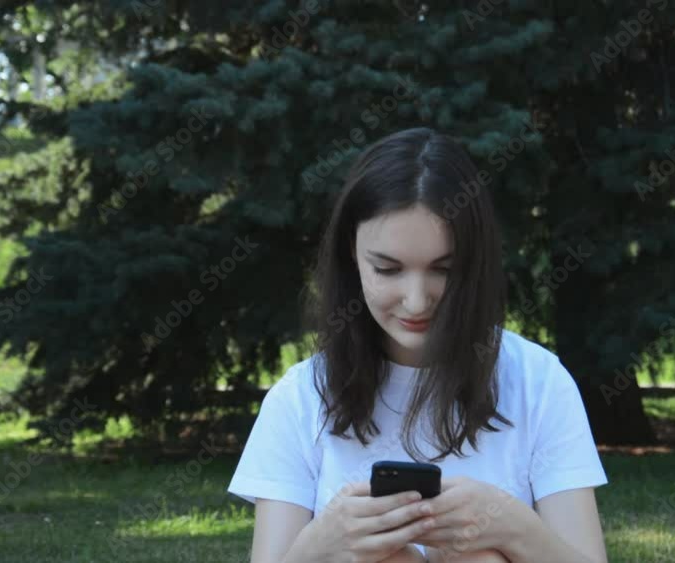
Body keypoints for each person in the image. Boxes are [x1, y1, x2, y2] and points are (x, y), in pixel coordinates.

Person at [227, 127, 609, 563]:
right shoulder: (300, 398)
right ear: (352, 255)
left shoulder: (539, 382)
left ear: (474, 262)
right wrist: (324, 541)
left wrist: (510, 523)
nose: (416, 300)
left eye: (443, 270)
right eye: (388, 269)